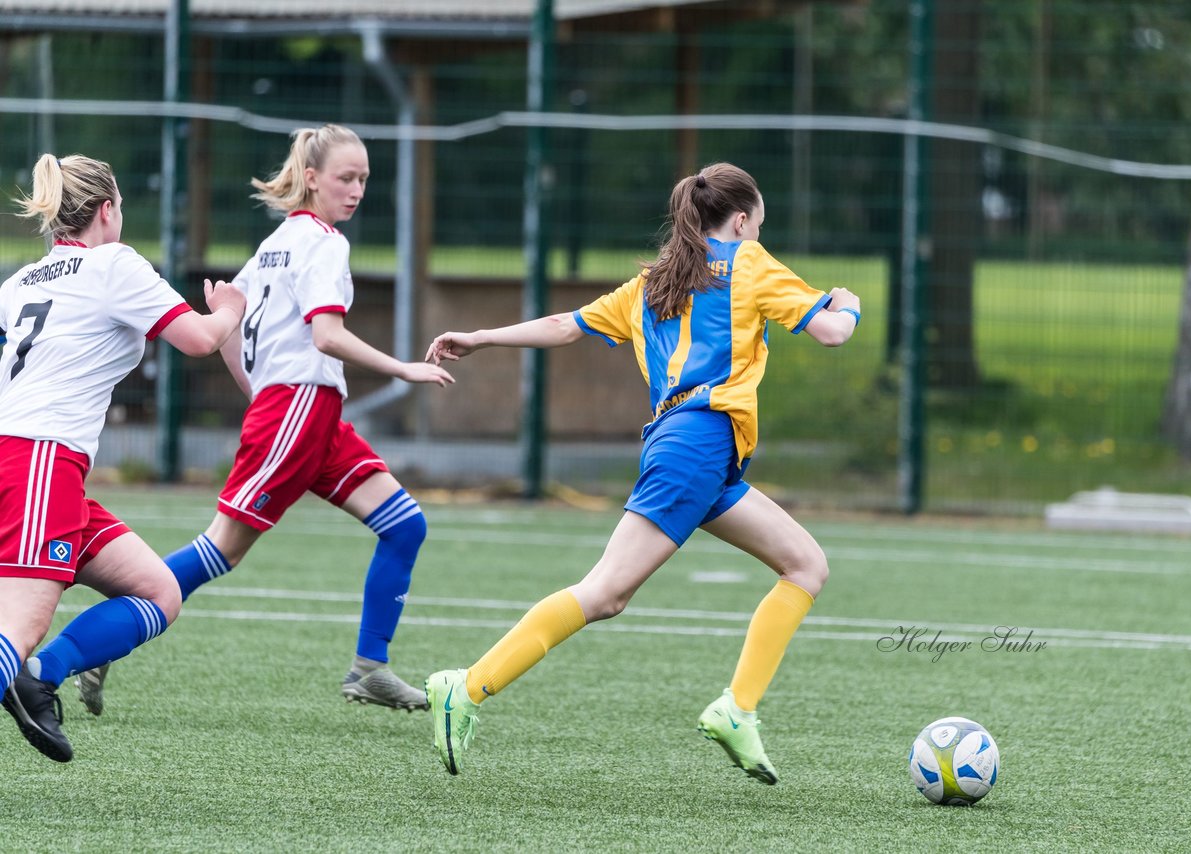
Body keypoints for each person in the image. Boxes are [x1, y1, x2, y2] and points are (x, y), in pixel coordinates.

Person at [422, 162, 861, 784]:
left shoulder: (654, 283)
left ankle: (737, 709)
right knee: (605, 593)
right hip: (696, 450)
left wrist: (482, 336)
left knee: (806, 565)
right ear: (740, 221)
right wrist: (850, 302)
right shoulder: (750, 264)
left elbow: (562, 326)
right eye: (758, 225)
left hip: (704, 457)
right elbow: (834, 332)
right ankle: (464, 688)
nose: (759, 236)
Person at [68, 125, 455, 717]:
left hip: (305, 413)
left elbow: (228, 330)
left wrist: (262, 395)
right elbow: (326, 336)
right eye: (346, 178)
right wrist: (402, 369)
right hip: (299, 409)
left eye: (364, 180)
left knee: (405, 525)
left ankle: (369, 668)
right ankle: (100, 645)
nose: (356, 190)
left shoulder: (272, 245)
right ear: (311, 179)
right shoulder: (324, 244)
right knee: (222, 549)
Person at [0, 153, 246, 762]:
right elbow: (197, 340)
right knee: (16, 633)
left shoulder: (19, 283)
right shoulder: (113, 263)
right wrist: (230, 314)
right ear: (107, 210)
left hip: (41, 469)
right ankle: (25, 670)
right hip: (38, 464)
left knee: (158, 591)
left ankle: (39, 681)